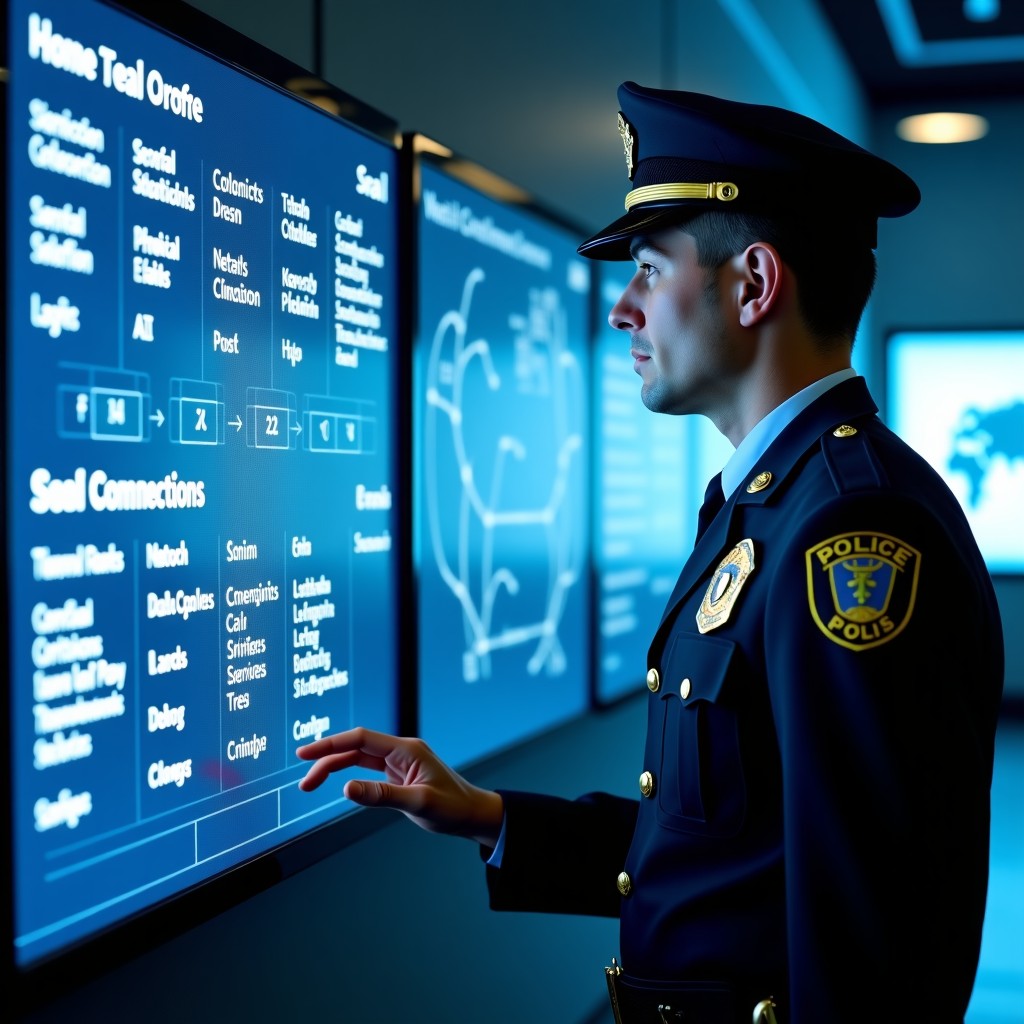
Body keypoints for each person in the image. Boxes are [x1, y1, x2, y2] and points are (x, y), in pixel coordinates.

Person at [296, 83, 1005, 1024]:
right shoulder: (771, 504)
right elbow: (732, 849)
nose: (622, 309)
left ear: (753, 284)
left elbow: (872, 937)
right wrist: (489, 815)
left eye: (648, 269)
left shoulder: (848, 527)